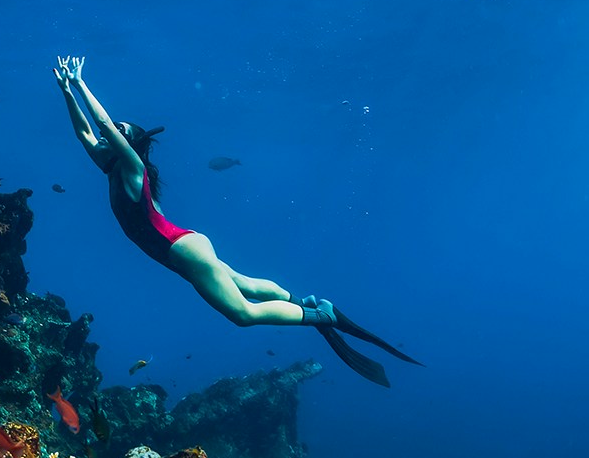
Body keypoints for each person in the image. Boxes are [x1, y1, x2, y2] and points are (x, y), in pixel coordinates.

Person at [53, 56, 419, 386]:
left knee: (242, 314)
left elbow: (101, 125)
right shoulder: (112, 167)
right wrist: (67, 91)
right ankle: (300, 300)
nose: (104, 136)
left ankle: (318, 314)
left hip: (183, 252)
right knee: (243, 283)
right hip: (185, 244)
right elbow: (85, 132)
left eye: (115, 134)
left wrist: (82, 83)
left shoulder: (132, 169)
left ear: (126, 144)